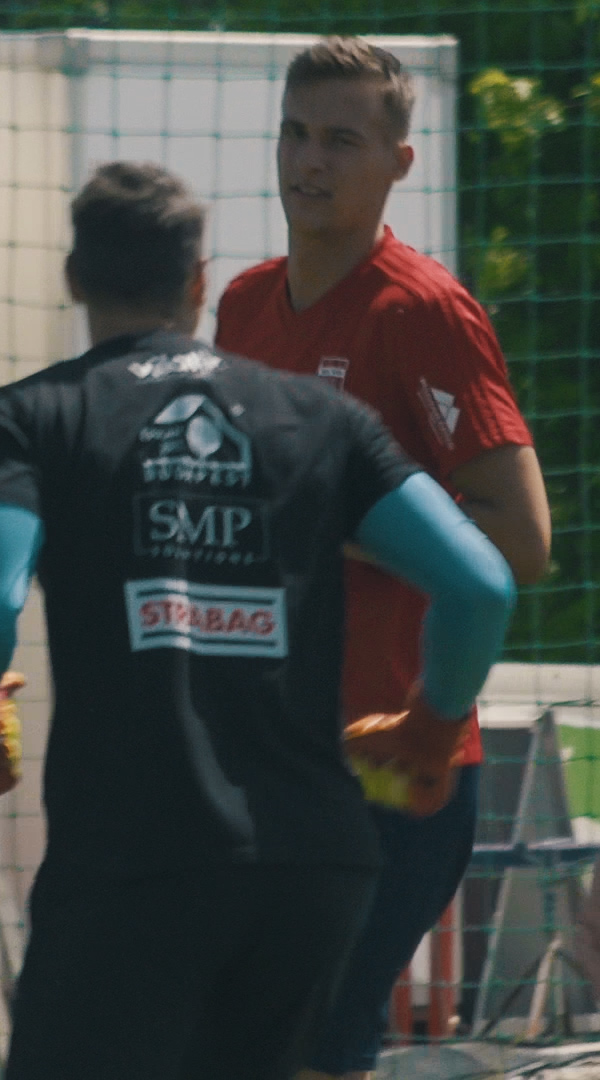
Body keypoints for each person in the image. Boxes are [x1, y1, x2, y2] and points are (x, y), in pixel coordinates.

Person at [0, 161, 516, 1080]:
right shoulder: (325, 420)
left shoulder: (32, 418)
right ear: (200, 283)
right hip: (309, 869)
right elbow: (480, 585)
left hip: (132, 864)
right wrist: (432, 726)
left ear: (74, 278)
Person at [214, 37, 552, 1079]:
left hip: (391, 763)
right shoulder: (243, 305)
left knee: (313, 1044)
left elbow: (522, 540)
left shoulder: (423, 311)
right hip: (265, 754)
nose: (309, 160)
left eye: (341, 140)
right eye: (295, 133)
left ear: (400, 162)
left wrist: (349, 522)